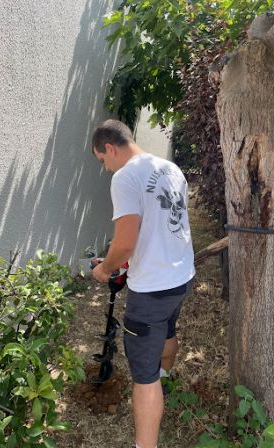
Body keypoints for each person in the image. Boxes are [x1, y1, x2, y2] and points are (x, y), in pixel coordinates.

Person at [91, 119, 195, 448]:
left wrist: (105, 269)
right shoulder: (171, 169)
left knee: (143, 376)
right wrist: (122, 260)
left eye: (102, 160)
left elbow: (124, 244)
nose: (105, 168)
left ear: (110, 148)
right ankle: (167, 376)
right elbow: (163, 226)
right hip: (181, 278)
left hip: (151, 290)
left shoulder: (126, 176)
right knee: (167, 330)